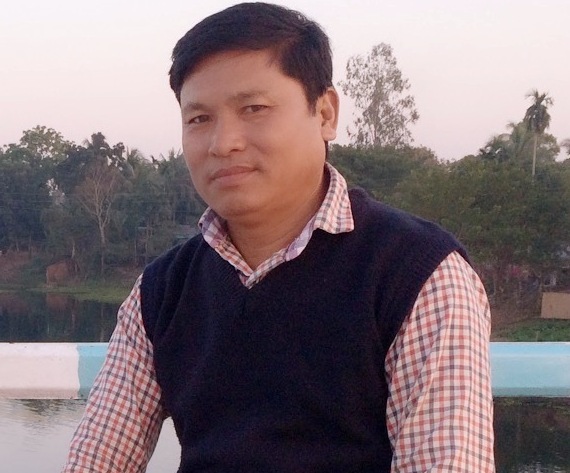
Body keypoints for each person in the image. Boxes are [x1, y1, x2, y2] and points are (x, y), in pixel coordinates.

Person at [62, 3, 495, 472]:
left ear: (325, 113)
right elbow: (98, 459)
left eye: (254, 109)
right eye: (199, 119)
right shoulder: (163, 291)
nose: (223, 142)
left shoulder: (416, 276)